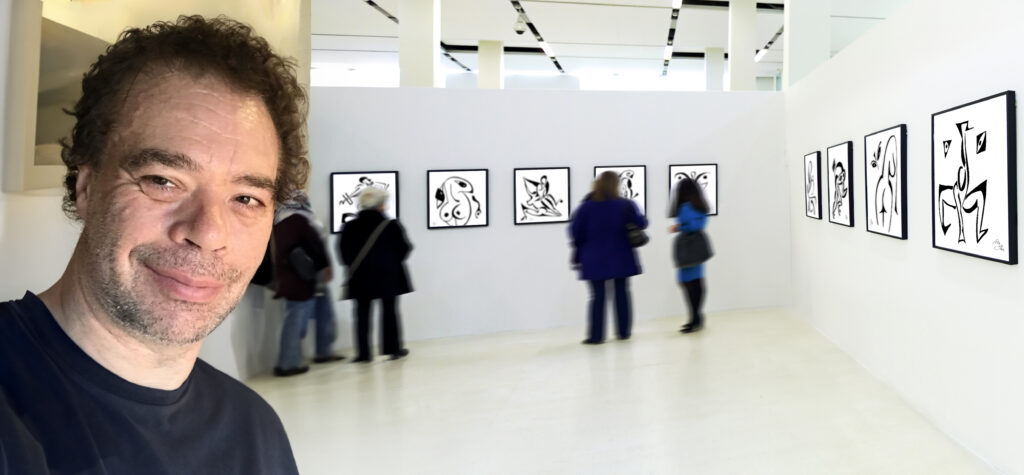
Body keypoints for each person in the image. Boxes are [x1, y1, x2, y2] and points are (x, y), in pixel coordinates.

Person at [0, 16, 306, 473]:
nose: (207, 233)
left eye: (246, 198)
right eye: (163, 181)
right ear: (86, 188)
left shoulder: (255, 429)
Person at [569, 171, 648, 344]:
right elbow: (642, 223)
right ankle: (623, 332)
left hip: (593, 258)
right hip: (621, 256)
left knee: (597, 297)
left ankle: (596, 336)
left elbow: (574, 232)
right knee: (622, 293)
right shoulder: (626, 205)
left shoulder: (586, 207)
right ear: (616, 185)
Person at [272, 191, 345, 377]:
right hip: (301, 278)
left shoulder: (280, 219)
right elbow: (315, 245)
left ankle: (324, 351)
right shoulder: (297, 219)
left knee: (323, 312)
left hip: (301, 276)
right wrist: (326, 265)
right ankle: (288, 364)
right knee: (296, 320)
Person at [339, 187, 413, 363]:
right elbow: (405, 248)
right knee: (389, 312)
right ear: (381, 205)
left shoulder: (350, 226)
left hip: (360, 278)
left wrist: (353, 266)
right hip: (389, 276)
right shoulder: (391, 225)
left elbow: (342, 253)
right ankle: (392, 349)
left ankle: (364, 354)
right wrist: (392, 263)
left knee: (362, 314)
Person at [669, 178, 710, 333]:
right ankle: (696, 317)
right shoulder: (700, 205)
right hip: (698, 244)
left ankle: (694, 318)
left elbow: (691, 225)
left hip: (688, 246)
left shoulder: (685, 207)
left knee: (687, 282)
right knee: (697, 281)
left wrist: (678, 227)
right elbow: (699, 224)